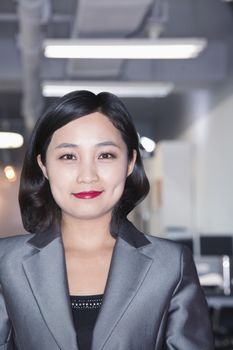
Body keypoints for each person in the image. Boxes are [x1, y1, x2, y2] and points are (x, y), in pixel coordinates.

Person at [0, 90, 214, 350]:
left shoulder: (170, 265)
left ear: (129, 162)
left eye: (105, 155)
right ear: (44, 166)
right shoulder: (6, 264)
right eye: (68, 156)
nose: (87, 175)